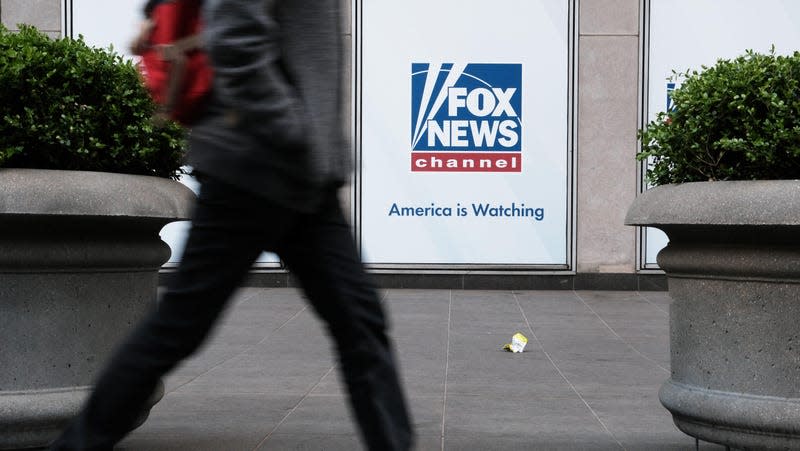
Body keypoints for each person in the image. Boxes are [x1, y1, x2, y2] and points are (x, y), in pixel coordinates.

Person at [49, 0, 414, 450]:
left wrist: (313, 150)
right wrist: (294, 131)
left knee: (360, 324)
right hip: (253, 169)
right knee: (179, 327)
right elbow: (235, 37)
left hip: (301, 178)